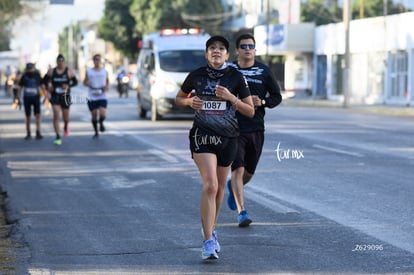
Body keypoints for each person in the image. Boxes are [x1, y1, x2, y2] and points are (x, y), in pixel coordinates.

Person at [175, 35, 254, 260]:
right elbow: (178, 99)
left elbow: (250, 111)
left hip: (228, 137)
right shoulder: (196, 75)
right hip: (202, 135)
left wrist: (231, 98)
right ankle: (208, 241)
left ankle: (210, 228)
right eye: (212, 48)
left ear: (227, 55)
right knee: (210, 185)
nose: (216, 51)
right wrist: (189, 102)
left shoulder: (236, 77)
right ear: (206, 53)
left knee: (219, 188)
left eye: (221, 48)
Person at [226, 33, 282, 227]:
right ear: (237, 50)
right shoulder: (228, 70)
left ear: (255, 50)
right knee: (238, 168)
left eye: (251, 46)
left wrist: (263, 101)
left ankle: (233, 186)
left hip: (256, 127)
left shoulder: (264, 71)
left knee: (248, 172)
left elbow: (277, 97)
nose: (248, 49)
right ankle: (242, 212)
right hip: (232, 127)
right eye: (244, 46)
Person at [46, 54, 78, 145]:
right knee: (56, 114)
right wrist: (49, 87)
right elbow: (44, 81)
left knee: (66, 116)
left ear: (64, 62)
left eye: (62, 62)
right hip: (55, 96)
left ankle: (66, 125)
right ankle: (57, 136)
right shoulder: (52, 71)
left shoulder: (69, 71)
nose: (60, 63)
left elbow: (75, 82)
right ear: (57, 62)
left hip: (65, 96)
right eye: (59, 62)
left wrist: (68, 86)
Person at [83, 54, 109, 139]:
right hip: (92, 96)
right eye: (96, 59)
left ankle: (101, 123)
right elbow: (84, 81)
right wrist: (87, 83)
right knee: (94, 114)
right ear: (93, 61)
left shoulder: (104, 71)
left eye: (99, 59)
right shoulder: (89, 71)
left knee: (102, 113)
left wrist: (107, 87)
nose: (97, 61)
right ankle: (96, 131)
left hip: (102, 95)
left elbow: (107, 81)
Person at [17, 63, 45, 140]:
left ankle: (38, 131)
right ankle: (28, 132)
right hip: (27, 98)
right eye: (28, 69)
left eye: (31, 68)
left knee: (38, 115)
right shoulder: (24, 76)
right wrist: (18, 97)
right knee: (28, 116)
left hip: (36, 98)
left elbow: (42, 86)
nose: (30, 70)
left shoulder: (37, 75)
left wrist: (46, 97)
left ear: (34, 68)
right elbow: (20, 87)